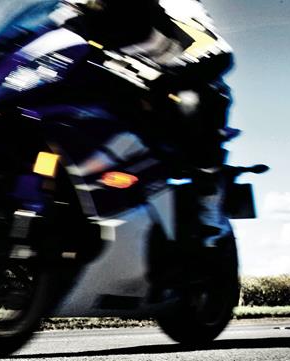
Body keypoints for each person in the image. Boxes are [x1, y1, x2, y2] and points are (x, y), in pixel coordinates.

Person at [76, 0, 235, 249]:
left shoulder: (177, 4)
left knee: (193, 101)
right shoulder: (80, 2)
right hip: (113, 91)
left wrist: (170, 77)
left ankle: (208, 202)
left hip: (168, 96)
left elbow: (214, 51)